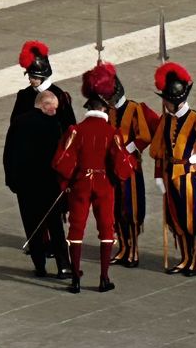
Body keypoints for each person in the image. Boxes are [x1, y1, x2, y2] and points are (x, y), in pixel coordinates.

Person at [51, 62, 137, 294]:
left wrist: (66, 184)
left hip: (81, 183)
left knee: (76, 229)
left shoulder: (76, 130)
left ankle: (75, 279)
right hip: (104, 184)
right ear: (105, 108)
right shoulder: (112, 132)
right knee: (106, 229)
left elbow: (62, 162)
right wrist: (130, 164)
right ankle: (103, 277)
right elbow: (122, 165)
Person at [148, 62, 196, 275]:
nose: (164, 103)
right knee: (176, 219)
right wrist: (158, 175)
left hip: (190, 177)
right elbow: (159, 150)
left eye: (166, 100)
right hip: (170, 174)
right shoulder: (166, 119)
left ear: (175, 101)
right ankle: (184, 258)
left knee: (193, 220)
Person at [4, 40, 74, 277]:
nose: (31, 80)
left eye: (34, 76)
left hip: (49, 172)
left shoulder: (60, 96)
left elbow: (70, 132)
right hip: (30, 173)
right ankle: (41, 260)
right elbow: (13, 134)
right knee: (33, 221)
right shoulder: (24, 97)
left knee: (53, 220)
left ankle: (61, 261)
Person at [108, 68, 157, 268]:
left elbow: (144, 136)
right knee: (116, 209)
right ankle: (122, 247)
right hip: (113, 166)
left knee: (131, 210)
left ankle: (133, 250)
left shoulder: (134, 109)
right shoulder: (109, 111)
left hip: (130, 167)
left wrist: (127, 148)